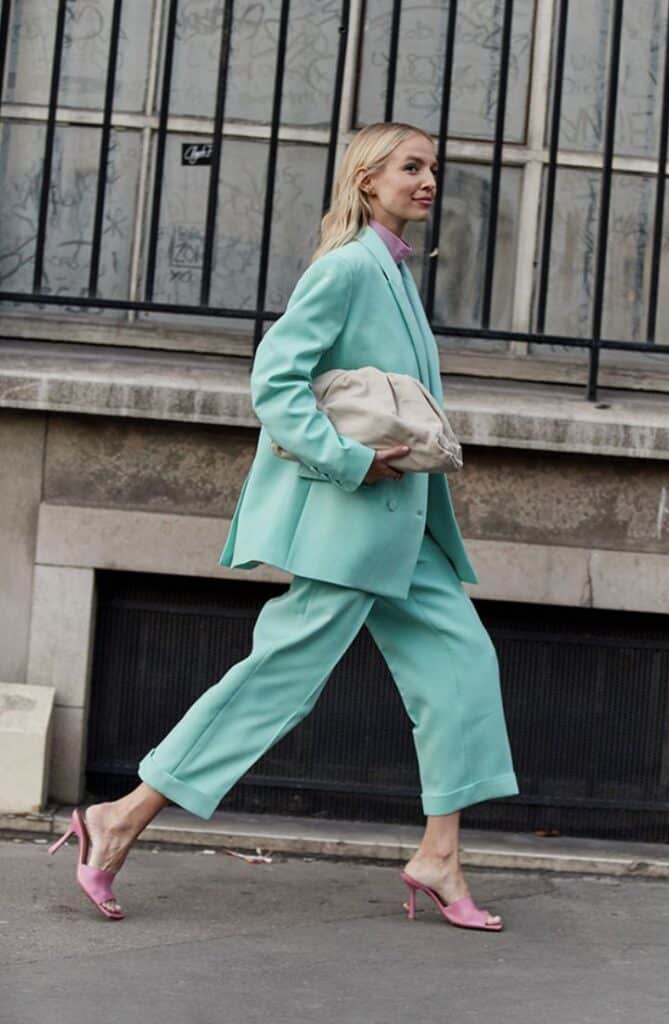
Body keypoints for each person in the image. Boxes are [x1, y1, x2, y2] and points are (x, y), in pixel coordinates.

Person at [49, 122, 519, 930]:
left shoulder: (395, 272)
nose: (427, 180)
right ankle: (119, 817)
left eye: (432, 168)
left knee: (463, 669)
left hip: (402, 530)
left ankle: (438, 854)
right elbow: (274, 381)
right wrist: (345, 459)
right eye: (411, 167)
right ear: (367, 180)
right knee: (278, 682)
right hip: (351, 523)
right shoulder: (345, 269)